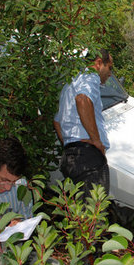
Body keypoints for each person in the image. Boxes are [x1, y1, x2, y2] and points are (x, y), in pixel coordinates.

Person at [53, 49, 113, 197]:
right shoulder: (90, 77)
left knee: (78, 213)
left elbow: (57, 122)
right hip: (88, 158)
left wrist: (70, 144)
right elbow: (82, 100)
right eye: (109, 67)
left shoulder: (70, 83)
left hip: (71, 157)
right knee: (94, 212)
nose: (110, 73)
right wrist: (96, 141)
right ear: (99, 63)